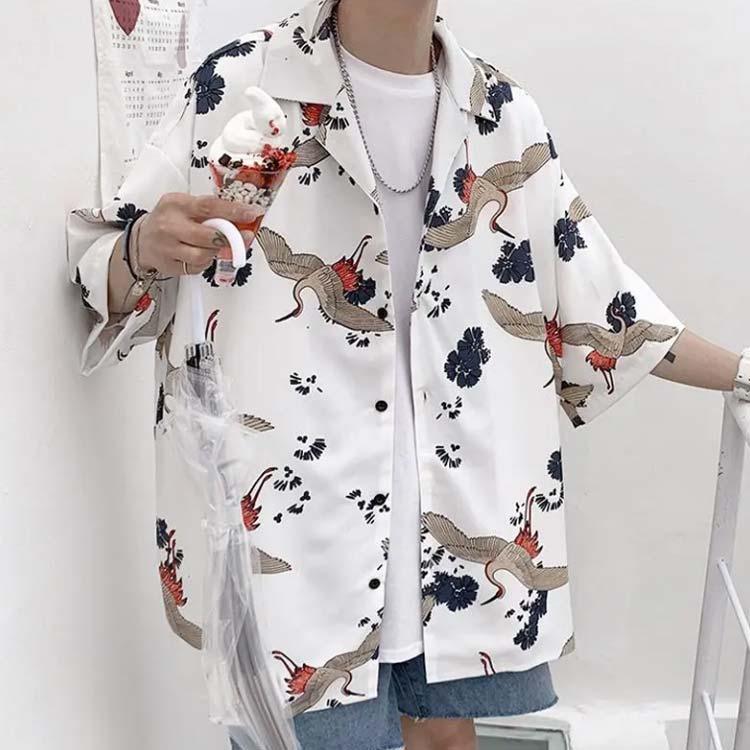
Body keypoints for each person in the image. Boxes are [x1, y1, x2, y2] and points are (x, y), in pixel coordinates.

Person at [66, 0, 747, 748]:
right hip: (300, 528)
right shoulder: (238, 84)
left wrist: (741, 371)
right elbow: (100, 268)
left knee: (448, 736)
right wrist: (141, 248)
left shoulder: (501, 116)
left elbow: (603, 308)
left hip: (456, 521)